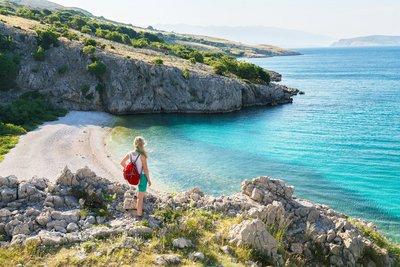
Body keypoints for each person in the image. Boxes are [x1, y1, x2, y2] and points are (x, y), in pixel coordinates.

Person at [120, 136, 152, 217]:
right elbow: (146, 169)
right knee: (140, 198)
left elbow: (122, 163)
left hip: (134, 178)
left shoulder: (130, 154)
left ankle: (133, 201)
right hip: (142, 177)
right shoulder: (142, 156)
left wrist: (130, 170)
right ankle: (139, 215)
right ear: (142, 145)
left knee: (138, 191)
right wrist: (149, 180)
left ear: (134, 144)